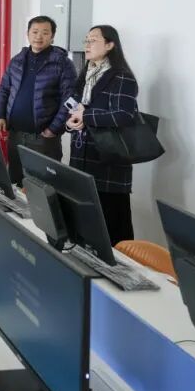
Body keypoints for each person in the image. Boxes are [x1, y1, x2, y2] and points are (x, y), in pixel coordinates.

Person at [65, 25, 140, 244]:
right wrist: (70, 123)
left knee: (111, 226)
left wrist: (86, 116)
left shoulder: (122, 77)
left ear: (110, 45)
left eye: (93, 40)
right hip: (82, 157)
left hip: (108, 160)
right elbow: (73, 107)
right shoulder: (86, 74)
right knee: (83, 223)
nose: (87, 45)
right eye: (86, 40)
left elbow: (124, 115)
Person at [0, 16, 75, 186]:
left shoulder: (62, 63)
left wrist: (54, 128)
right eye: (35, 32)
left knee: (42, 189)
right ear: (28, 34)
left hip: (43, 138)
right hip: (15, 134)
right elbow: (4, 90)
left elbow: (70, 98)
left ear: (52, 36)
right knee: (15, 184)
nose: (39, 36)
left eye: (45, 33)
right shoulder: (17, 60)